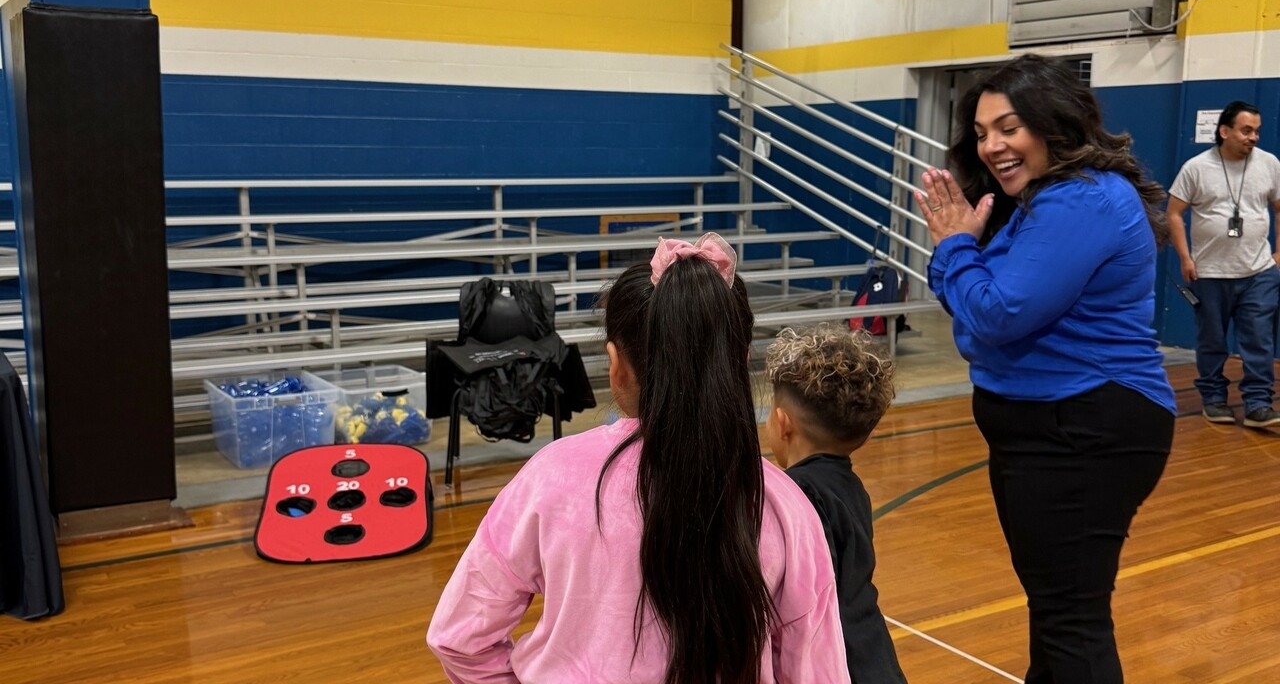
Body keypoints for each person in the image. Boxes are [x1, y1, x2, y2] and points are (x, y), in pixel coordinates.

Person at [426, 233, 850, 683]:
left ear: (617, 366)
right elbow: (816, 672)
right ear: (741, 361)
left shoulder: (550, 479)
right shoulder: (786, 509)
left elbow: (459, 637)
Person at [914, 54, 1176, 684]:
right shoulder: (1035, 203)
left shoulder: (1081, 200)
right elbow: (973, 313)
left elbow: (995, 313)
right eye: (980, 133)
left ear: (1053, 123)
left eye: (1009, 127)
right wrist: (964, 268)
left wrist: (954, 248)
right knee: (1058, 610)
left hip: (1084, 429)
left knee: (1071, 618)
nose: (992, 146)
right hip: (1043, 430)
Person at [765, 324, 906, 683]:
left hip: (836, 662)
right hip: (875, 655)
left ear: (782, 424)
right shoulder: (852, 487)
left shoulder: (794, 497)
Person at [1167, 101, 1280, 428]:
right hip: (1209, 274)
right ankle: (1214, 400)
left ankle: (1258, 404)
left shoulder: (1270, 164)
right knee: (1212, 341)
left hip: (1259, 272)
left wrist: (1278, 257)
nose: (1253, 137)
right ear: (1224, 131)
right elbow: (1174, 213)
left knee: (1259, 340)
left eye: (1257, 131)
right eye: (1246, 130)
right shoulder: (1196, 168)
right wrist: (1186, 258)